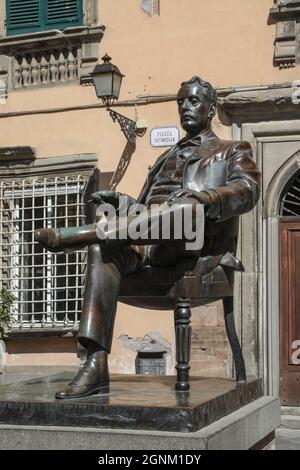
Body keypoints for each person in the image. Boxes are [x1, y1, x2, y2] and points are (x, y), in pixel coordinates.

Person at [35, 76, 260, 399]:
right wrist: (121, 202)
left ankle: (75, 236)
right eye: (181, 101)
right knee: (102, 250)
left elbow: (248, 190)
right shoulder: (165, 157)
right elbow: (142, 207)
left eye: (193, 101)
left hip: (190, 245)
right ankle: (96, 363)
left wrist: (205, 198)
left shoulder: (230, 150)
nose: (185, 106)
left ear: (211, 109)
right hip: (146, 239)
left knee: (181, 210)